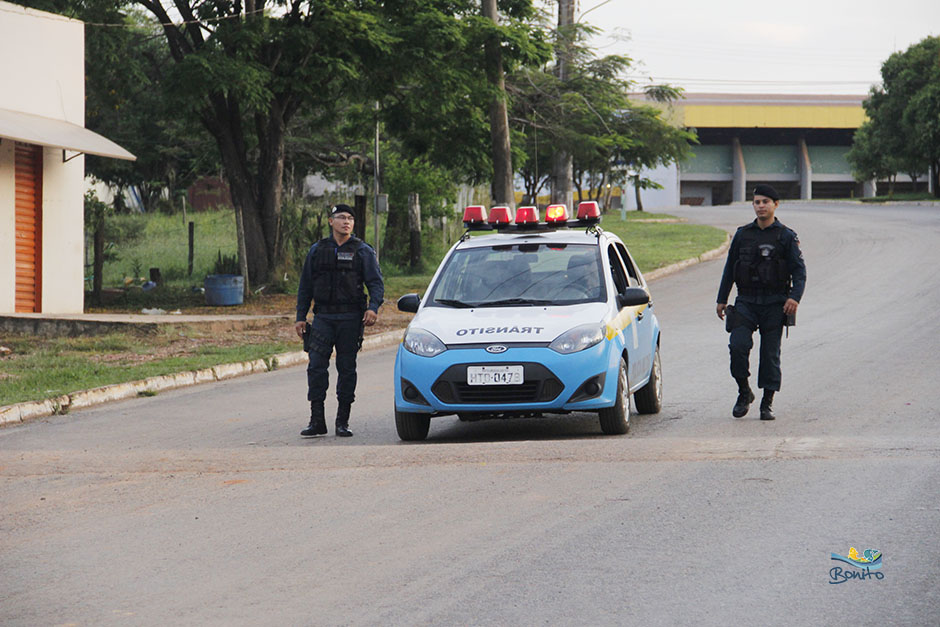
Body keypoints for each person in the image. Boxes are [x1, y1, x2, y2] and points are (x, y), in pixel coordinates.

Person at [716, 184, 806, 420]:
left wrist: (794, 298)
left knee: (770, 355)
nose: (760, 206)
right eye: (757, 202)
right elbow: (730, 269)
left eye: (765, 201)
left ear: (775, 205)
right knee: (737, 346)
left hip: (775, 303)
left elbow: (799, 272)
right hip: (746, 301)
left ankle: (767, 402)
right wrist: (721, 299)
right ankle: (744, 392)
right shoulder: (743, 234)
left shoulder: (786, 236)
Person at [295, 204, 384, 437]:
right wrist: (300, 317)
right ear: (330, 221)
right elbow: (305, 286)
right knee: (316, 367)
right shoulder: (317, 250)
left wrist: (373, 308)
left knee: (346, 369)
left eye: (350, 218)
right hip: (323, 317)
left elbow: (375, 283)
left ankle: (342, 421)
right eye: (341, 217)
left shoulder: (363, 250)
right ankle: (317, 421)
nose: (346, 222)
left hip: (351, 318)